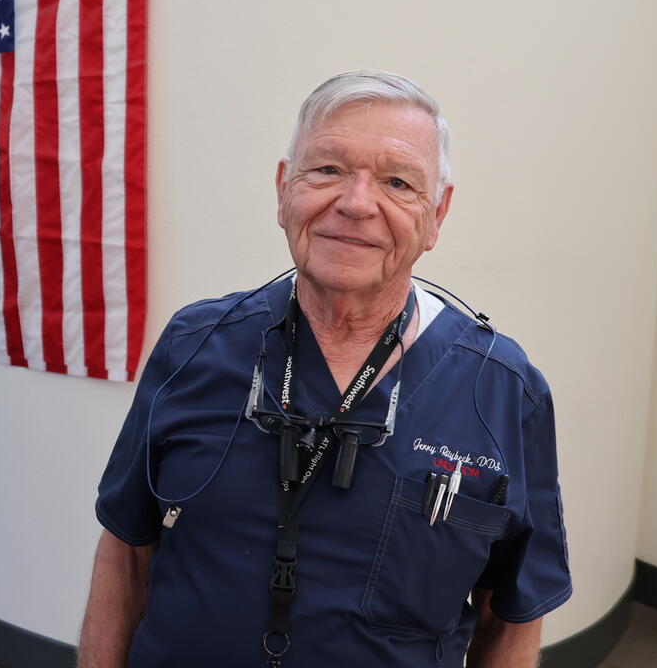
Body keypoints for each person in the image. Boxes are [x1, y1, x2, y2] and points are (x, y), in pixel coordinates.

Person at [77, 71, 571, 667]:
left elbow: (512, 612)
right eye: (328, 170)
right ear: (285, 188)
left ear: (436, 214)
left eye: (397, 181)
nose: (357, 203)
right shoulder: (195, 344)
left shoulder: (501, 389)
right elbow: (126, 553)